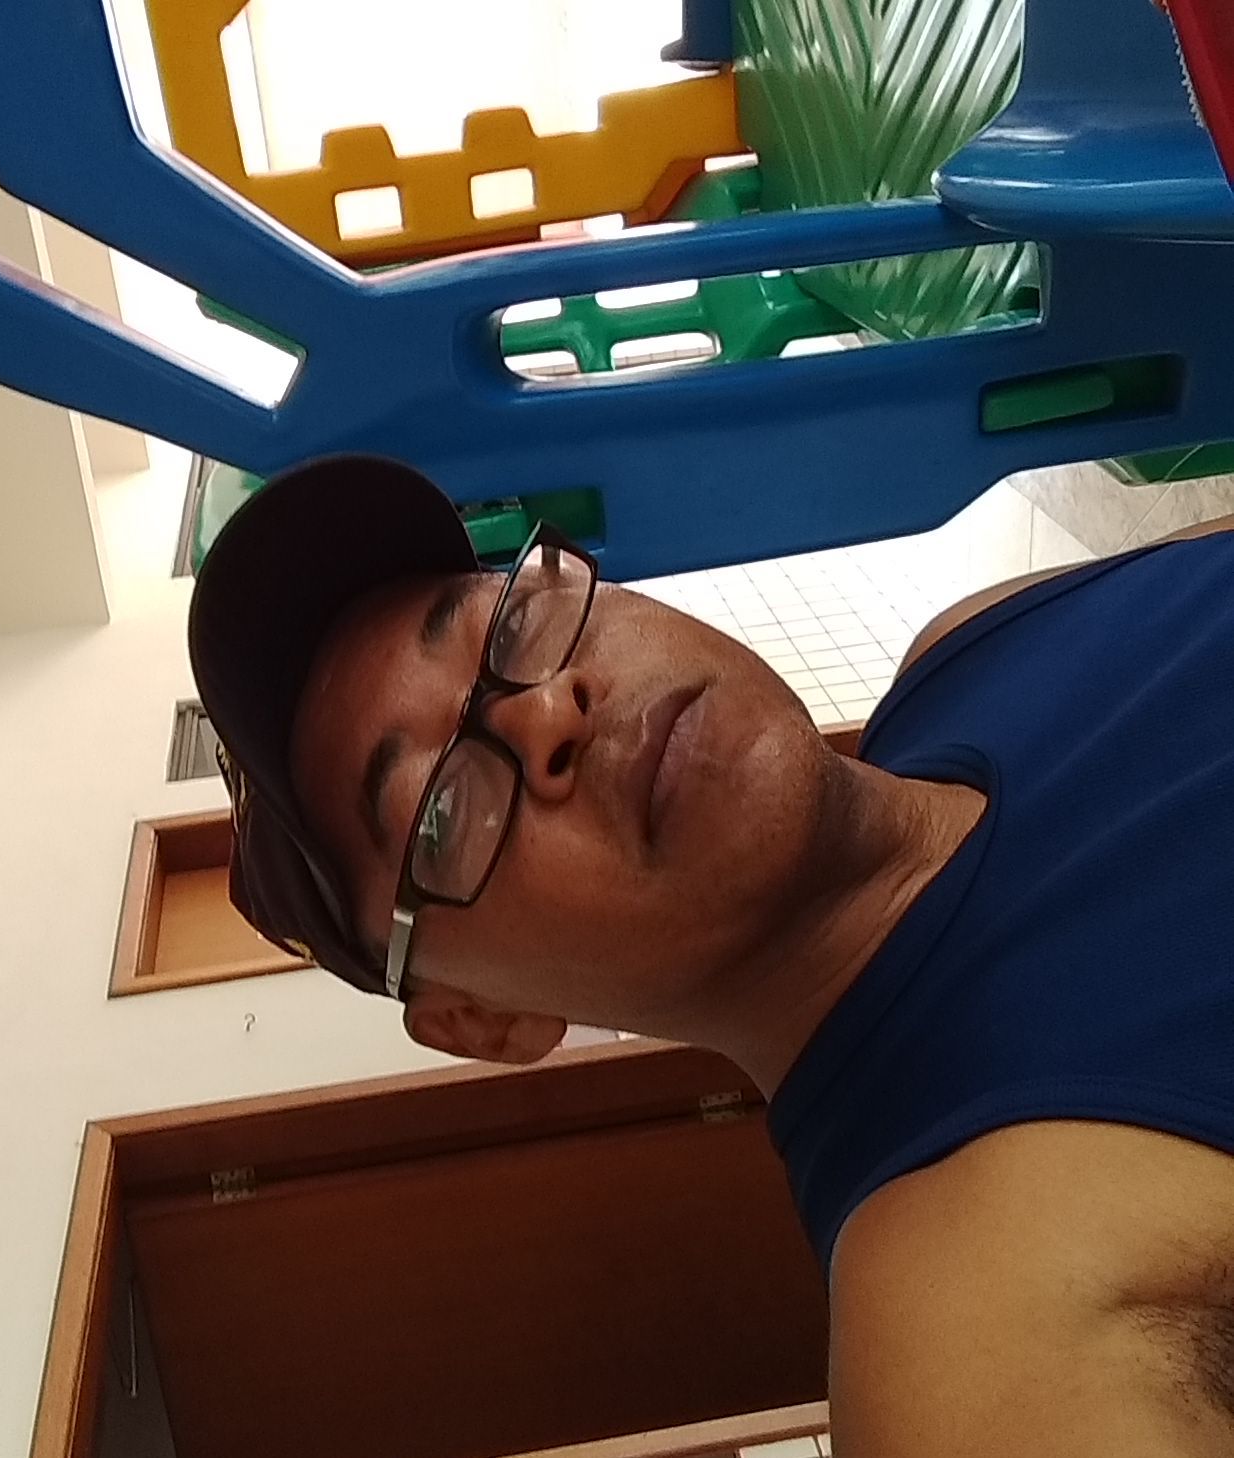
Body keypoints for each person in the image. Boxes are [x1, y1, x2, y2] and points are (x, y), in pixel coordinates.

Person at [189, 454, 1234, 1455]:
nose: (548, 708)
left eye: (508, 623)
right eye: (440, 813)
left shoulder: (969, 648)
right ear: (484, 1021)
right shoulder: (976, 1348)